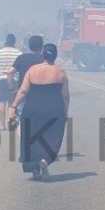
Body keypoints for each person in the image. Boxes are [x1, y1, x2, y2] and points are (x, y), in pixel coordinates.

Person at [9, 42, 69, 180]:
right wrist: (65, 112)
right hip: (54, 110)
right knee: (53, 138)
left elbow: (23, 91)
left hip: (32, 109)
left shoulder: (32, 70)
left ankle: (34, 168)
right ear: (55, 55)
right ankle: (44, 160)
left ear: (43, 54)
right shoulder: (60, 72)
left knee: (31, 139)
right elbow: (65, 96)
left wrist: (13, 107)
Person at [0, 33, 23, 129]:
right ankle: (10, 123)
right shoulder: (18, 53)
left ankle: (2, 125)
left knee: (2, 102)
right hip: (13, 80)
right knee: (11, 103)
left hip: (1, 79)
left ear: (6, 41)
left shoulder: (0, 52)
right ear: (14, 42)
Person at [11, 35, 45, 112]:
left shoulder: (22, 58)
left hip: (23, 93)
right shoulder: (45, 59)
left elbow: (10, 73)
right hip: (41, 94)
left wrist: (11, 87)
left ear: (29, 46)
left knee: (20, 113)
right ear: (42, 47)